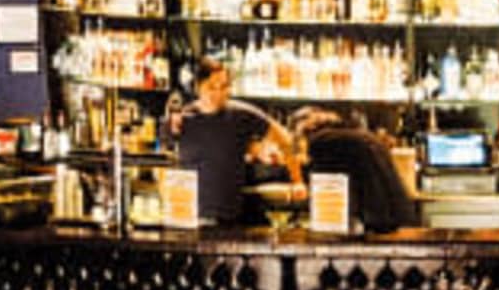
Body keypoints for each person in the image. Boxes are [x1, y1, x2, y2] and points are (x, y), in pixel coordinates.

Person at [168, 60, 291, 227]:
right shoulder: (183, 120)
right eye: (211, 87)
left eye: (224, 86)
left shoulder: (241, 114)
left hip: (232, 219)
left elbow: (284, 137)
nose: (218, 93)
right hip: (189, 218)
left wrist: (296, 178)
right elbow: (165, 157)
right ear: (198, 87)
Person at [291, 107, 422, 232]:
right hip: (397, 219)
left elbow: (327, 189)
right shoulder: (361, 136)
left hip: (376, 223)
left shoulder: (321, 141)